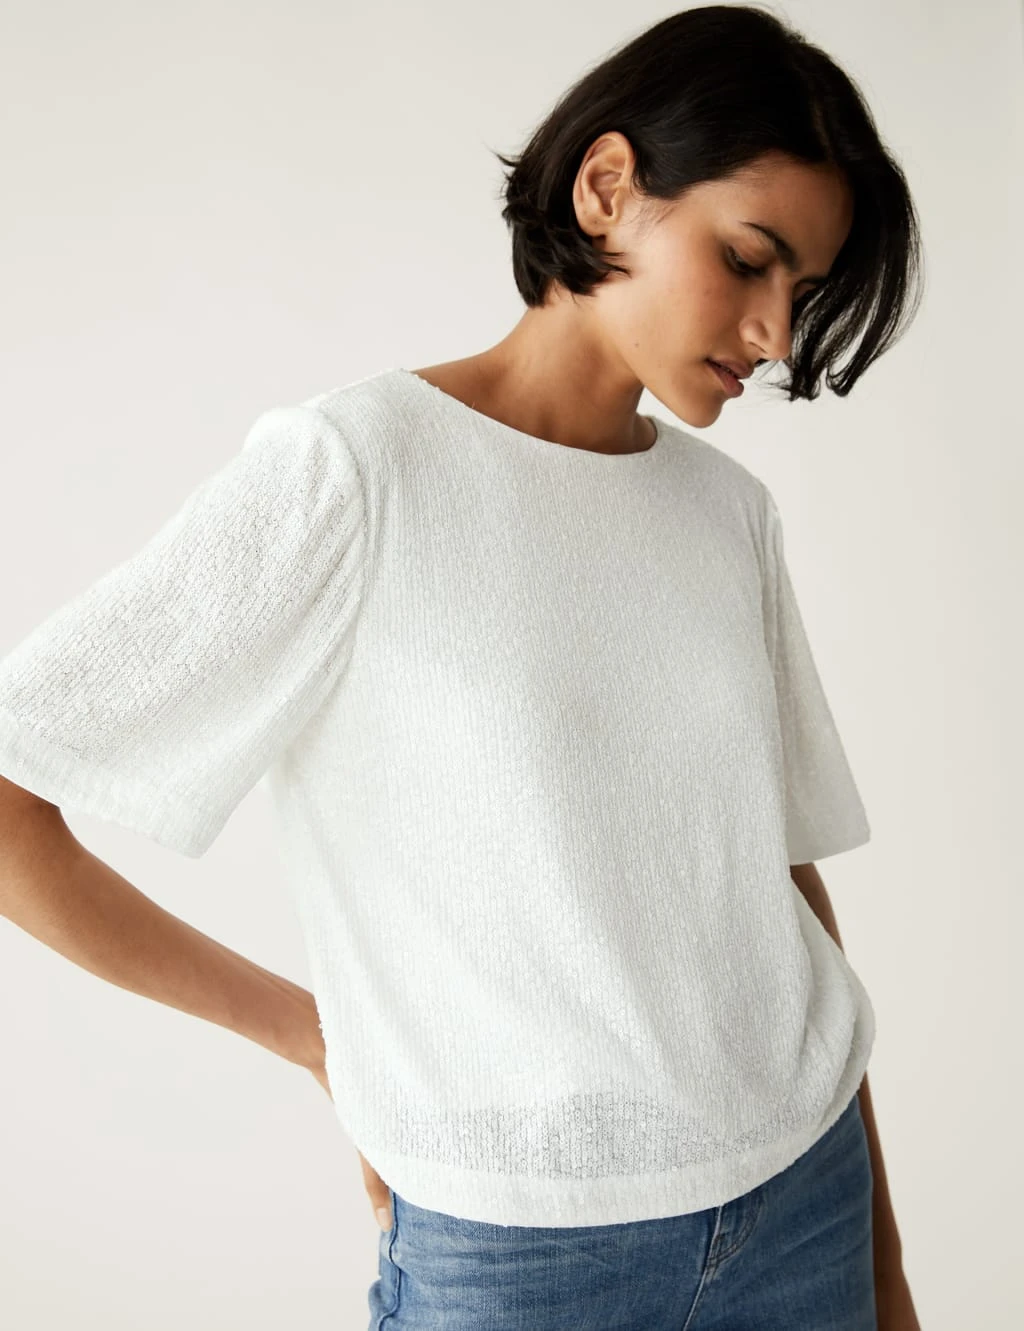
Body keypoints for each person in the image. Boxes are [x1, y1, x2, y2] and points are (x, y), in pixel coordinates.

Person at [0, 5, 924, 1328]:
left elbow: (776, 878)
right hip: (518, 1252)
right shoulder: (358, 474)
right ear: (607, 187)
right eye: (746, 259)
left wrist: (885, 1269)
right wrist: (311, 1035)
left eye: (805, 292)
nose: (776, 332)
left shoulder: (727, 514)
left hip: (806, 1200)